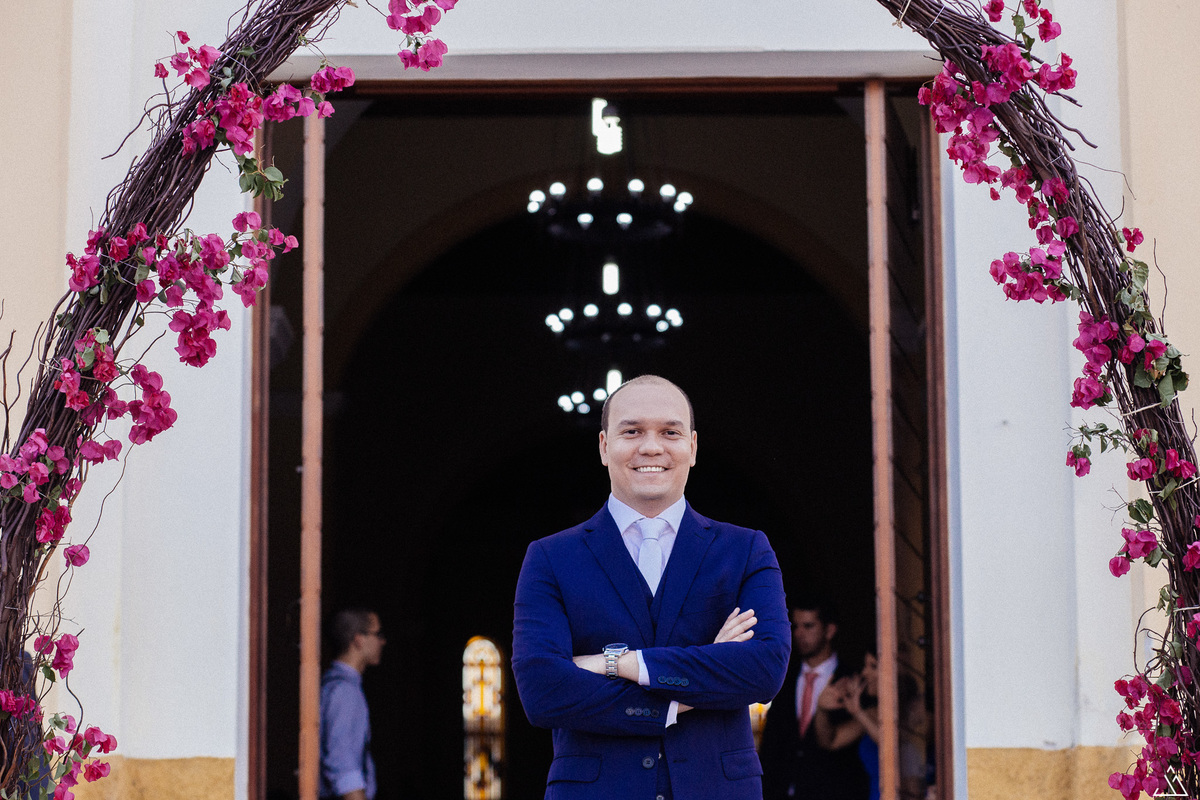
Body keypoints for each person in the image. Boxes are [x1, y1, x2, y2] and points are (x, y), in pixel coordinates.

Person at [512, 375, 791, 800]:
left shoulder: (746, 550)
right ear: (605, 446)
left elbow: (764, 669)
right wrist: (698, 679)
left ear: (692, 447)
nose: (651, 447)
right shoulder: (550, 557)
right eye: (632, 431)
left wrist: (619, 664)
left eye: (670, 432)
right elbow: (542, 690)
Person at [758, 598, 868, 800]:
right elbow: (770, 746)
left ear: (830, 631)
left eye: (808, 626)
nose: (799, 634)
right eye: (795, 626)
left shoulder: (853, 681)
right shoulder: (782, 679)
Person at [320, 608, 385, 800]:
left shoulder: (333, 685)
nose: (383, 641)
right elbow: (343, 764)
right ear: (358, 639)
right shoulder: (345, 692)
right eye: (378, 634)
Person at [814, 653, 880, 800]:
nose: (864, 672)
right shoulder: (871, 712)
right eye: (865, 666)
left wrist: (859, 713)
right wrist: (821, 710)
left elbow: (893, 745)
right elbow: (830, 742)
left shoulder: (914, 709)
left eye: (873, 666)